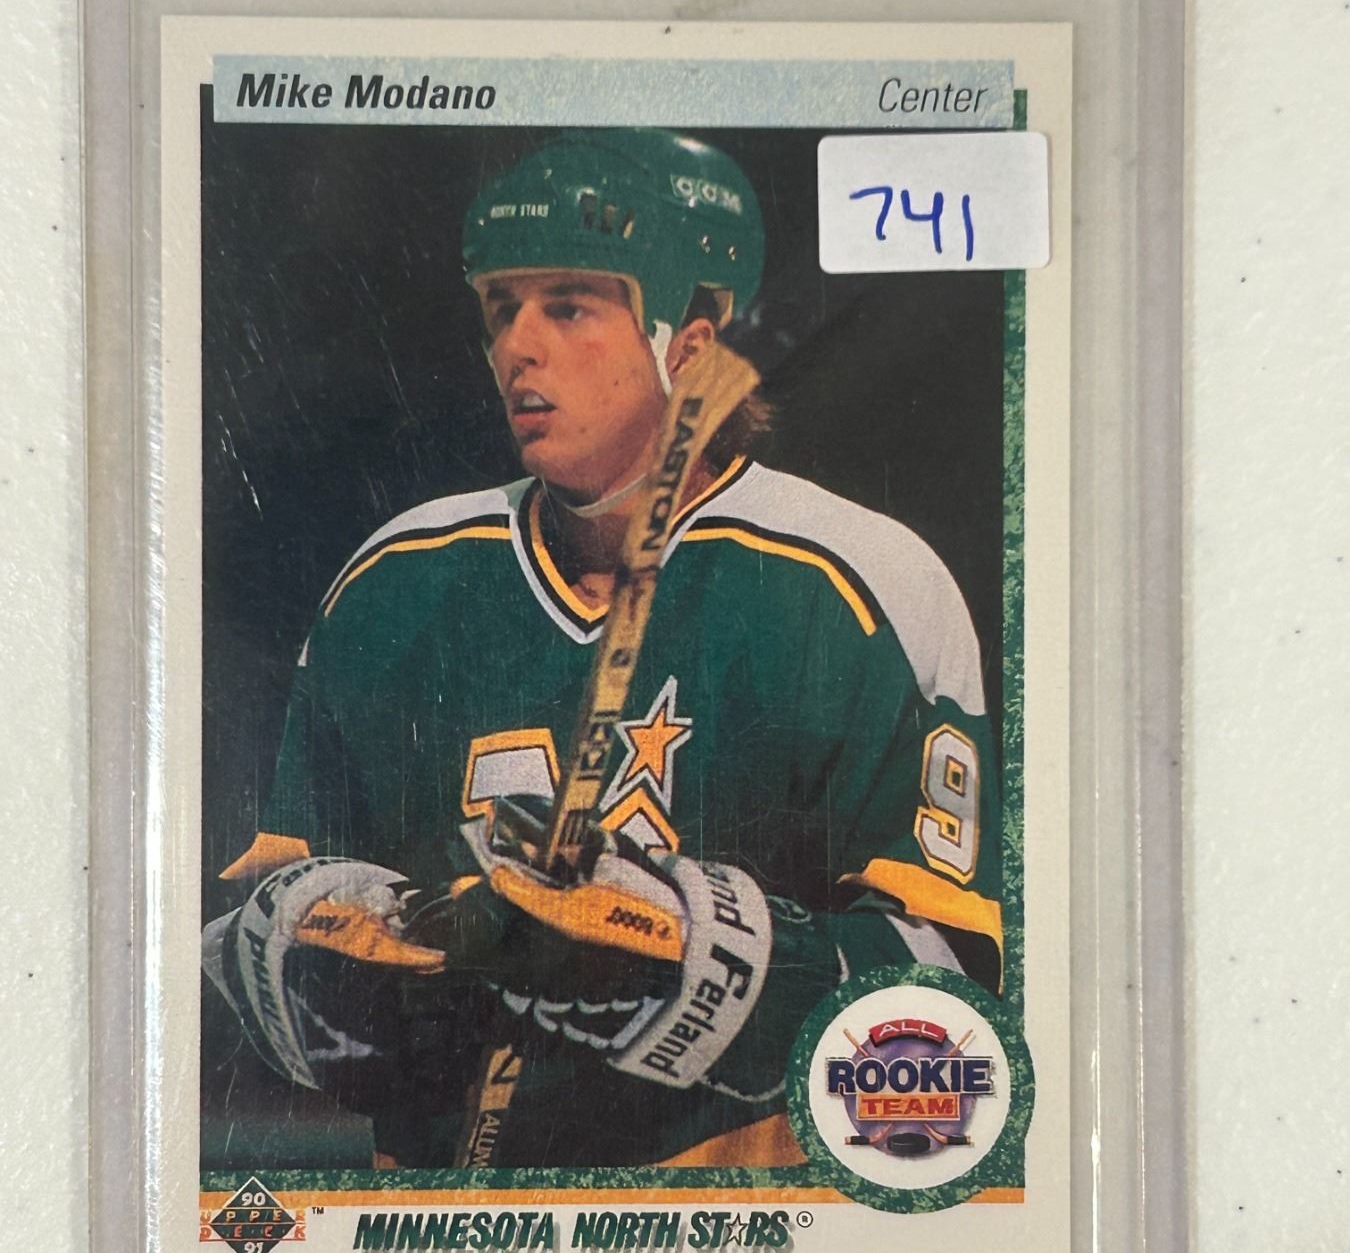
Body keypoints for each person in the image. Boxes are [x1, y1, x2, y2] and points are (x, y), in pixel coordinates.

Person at [204, 129, 1002, 1170]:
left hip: (748, 1232)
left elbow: (949, 983)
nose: (517, 348)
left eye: (570, 306)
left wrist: (688, 957)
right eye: (501, 309)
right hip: (451, 1228)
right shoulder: (394, 582)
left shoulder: (862, 585)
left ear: (693, 345)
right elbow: (254, 914)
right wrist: (320, 953)